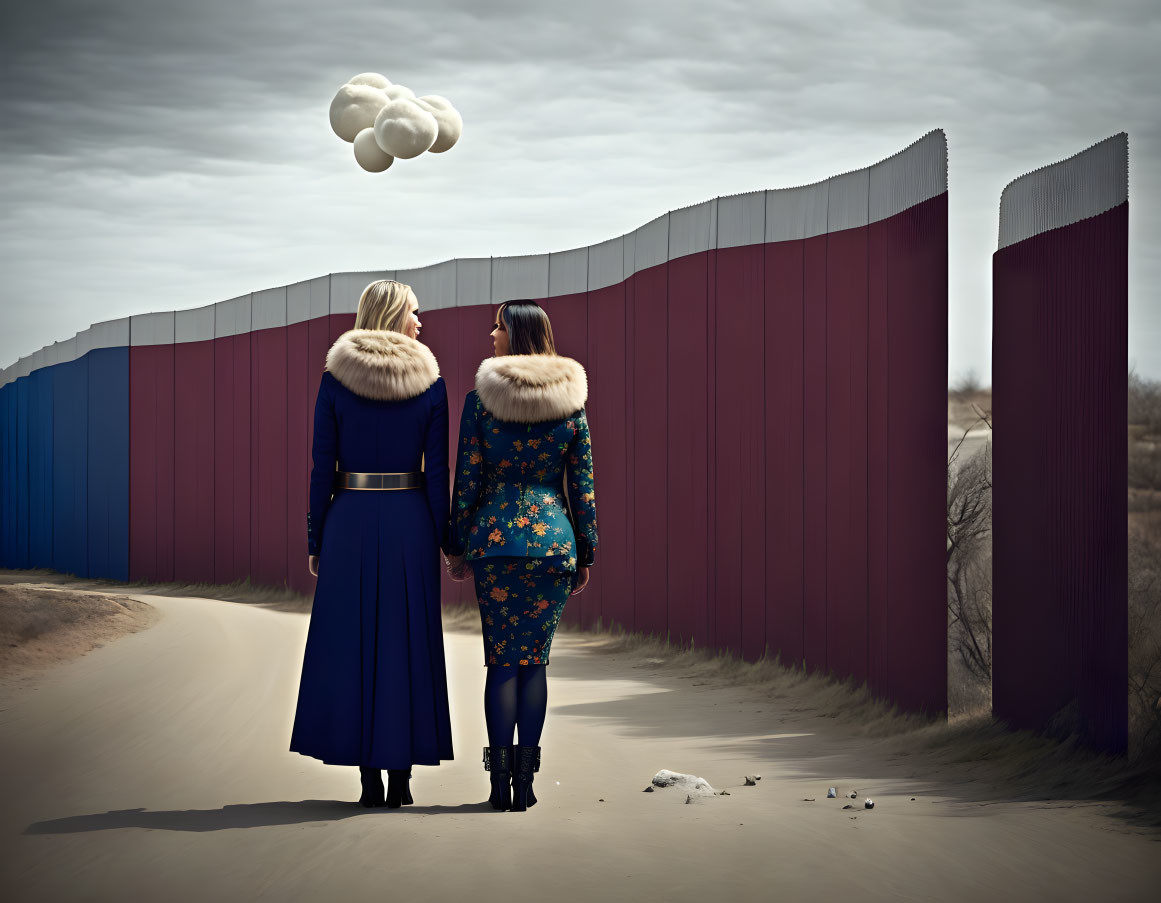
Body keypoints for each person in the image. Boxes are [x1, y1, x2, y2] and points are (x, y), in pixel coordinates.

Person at [290, 279, 454, 808]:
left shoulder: (335, 382)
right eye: (414, 312)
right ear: (392, 316)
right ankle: (402, 778)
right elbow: (438, 475)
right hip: (409, 520)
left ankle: (368, 780)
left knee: (354, 643)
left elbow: (322, 466)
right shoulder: (431, 385)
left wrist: (316, 536)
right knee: (407, 642)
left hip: (350, 521)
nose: (420, 323)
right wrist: (446, 540)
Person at [444, 299, 598, 812]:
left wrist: (457, 543)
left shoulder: (480, 401)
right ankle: (527, 785)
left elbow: (465, 481)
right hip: (554, 546)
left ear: (517, 334)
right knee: (535, 664)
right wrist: (587, 550)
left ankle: (496, 785)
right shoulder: (570, 402)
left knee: (501, 662)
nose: (491, 335)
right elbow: (583, 486)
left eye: (498, 326)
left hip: (494, 545)